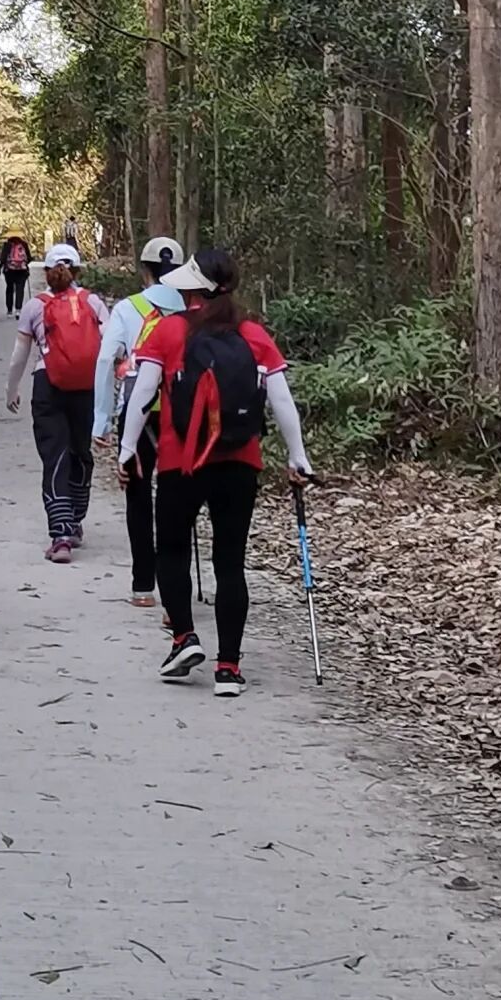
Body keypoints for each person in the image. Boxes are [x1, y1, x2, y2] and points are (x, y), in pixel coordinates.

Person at [119, 248, 312, 696]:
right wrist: (297, 456)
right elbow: (281, 401)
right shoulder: (253, 334)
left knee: (171, 551)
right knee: (229, 562)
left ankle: (184, 638)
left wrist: (128, 450)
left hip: (180, 461)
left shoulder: (169, 331)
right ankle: (228, 668)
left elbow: (143, 393)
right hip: (240, 462)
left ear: (192, 289)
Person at [92, 236, 186, 606]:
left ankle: (143, 585)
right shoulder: (192, 309)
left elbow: (105, 360)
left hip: (137, 411)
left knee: (138, 495)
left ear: (144, 269)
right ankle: (175, 589)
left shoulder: (128, 308)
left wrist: (101, 419)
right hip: (182, 412)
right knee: (177, 499)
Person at [6, 243, 109, 561]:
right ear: (76, 271)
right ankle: (75, 519)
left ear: (47, 271)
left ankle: (61, 535)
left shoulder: (35, 306)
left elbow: (19, 355)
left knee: (55, 457)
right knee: (80, 453)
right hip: (86, 387)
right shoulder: (92, 301)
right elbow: (109, 350)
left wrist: (12, 390)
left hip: (47, 385)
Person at [0, 232, 32, 316]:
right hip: (22, 270)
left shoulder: (7, 245)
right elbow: (29, 257)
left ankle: (9, 310)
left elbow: (3, 258)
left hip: (9, 270)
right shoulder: (24, 244)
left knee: (9, 289)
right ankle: (18, 309)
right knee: (20, 289)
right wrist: (24, 264)